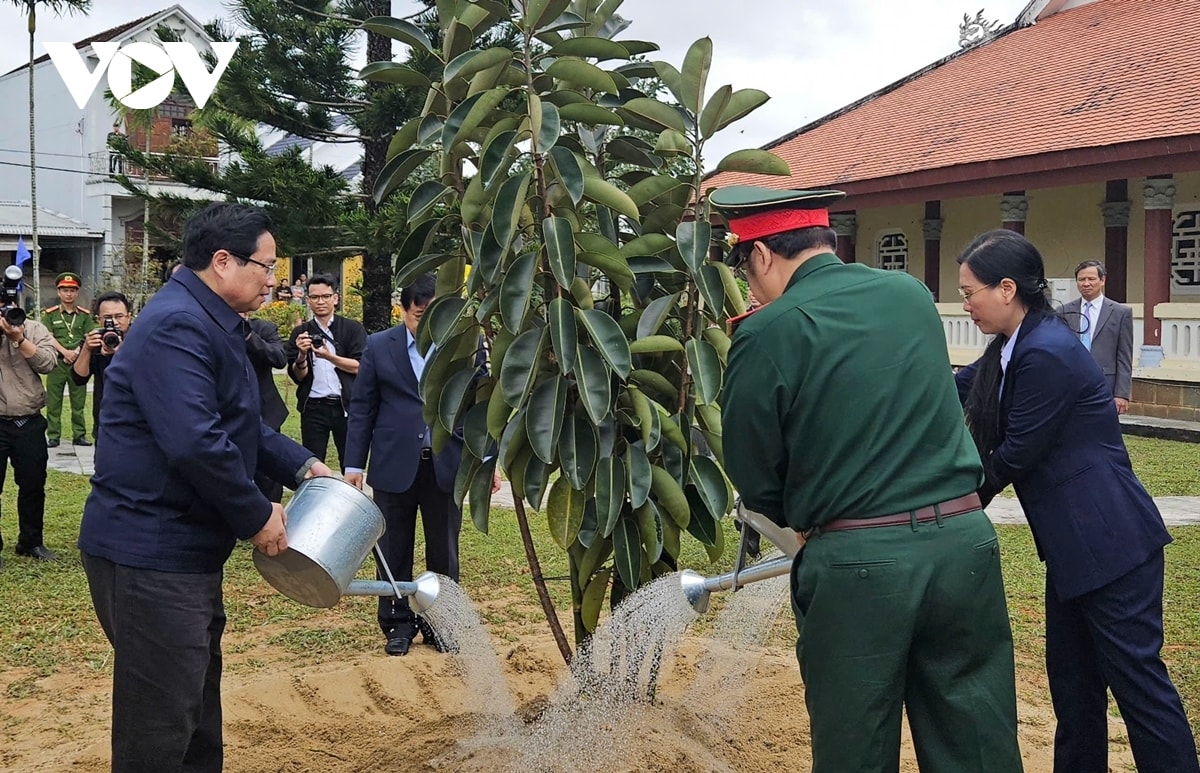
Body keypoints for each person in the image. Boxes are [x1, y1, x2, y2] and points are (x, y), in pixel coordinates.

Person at [714, 185, 1022, 773]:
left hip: (859, 563)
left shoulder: (767, 330)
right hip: (964, 545)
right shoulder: (909, 294)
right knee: (976, 739)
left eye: (746, 271)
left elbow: (755, 472)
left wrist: (802, 524)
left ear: (760, 256)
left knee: (854, 745)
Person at [78, 202, 334, 773]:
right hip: (151, 555)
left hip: (185, 553)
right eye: (265, 267)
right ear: (222, 262)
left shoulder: (213, 321)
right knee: (160, 729)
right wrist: (256, 514)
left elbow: (237, 423)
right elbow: (196, 441)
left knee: (194, 712)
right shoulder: (176, 327)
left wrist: (302, 465)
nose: (273, 280)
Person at [954, 230, 1198, 773]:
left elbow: (1014, 455)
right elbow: (957, 386)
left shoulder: (1047, 352)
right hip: (1072, 552)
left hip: (1111, 545)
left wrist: (950, 506)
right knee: (1075, 690)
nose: (965, 302)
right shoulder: (1015, 345)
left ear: (1007, 289)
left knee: (1139, 690)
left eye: (970, 291)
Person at [344, 274, 499, 656]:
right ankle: (397, 624)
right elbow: (363, 408)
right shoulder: (380, 346)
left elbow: (483, 405)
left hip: (447, 463)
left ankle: (441, 623)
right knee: (393, 547)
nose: (425, 325)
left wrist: (489, 460)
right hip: (394, 463)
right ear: (403, 311)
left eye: (432, 316)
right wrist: (352, 464)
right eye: (417, 316)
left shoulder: (465, 347)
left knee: (444, 550)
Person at [284, 274, 365, 472]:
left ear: (335, 298)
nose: (320, 302)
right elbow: (298, 377)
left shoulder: (352, 329)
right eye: (315, 297)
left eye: (326, 296)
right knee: (312, 464)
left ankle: (351, 502)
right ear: (308, 300)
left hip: (345, 405)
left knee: (352, 465)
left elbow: (360, 367)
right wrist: (302, 355)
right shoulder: (301, 332)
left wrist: (330, 357)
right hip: (313, 406)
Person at [0, 303, 58, 566]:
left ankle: (31, 542)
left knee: (33, 484)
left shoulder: (34, 328)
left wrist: (18, 339)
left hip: (28, 421)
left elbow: (48, 363)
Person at [1063, 260, 1134, 415]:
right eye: (1081, 280)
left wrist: (1121, 394)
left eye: (1091, 279)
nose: (1086, 283)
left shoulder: (1120, 313)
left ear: (1102, 281)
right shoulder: (1064, 311)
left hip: (1105, 384)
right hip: (1070, 384)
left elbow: (1124, 356)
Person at [43, 271, 96, 447]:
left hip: (78, 364)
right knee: (54, 401)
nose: (68, 294)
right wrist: (65, 352)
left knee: (78, 402)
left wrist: (76, 352)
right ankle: (53, 435)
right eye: (64, 290)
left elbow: (89, 336)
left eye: (72, 290)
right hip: (57, 364)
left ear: (77, 292)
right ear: (58, 292)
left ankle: (79, 435)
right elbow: (48, 337)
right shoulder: (50, 315)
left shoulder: (84, 315)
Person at [70, 290, 132, 436]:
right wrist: (87, 348)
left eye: (119, 316)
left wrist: (121, 352)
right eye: (108, 317)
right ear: (99, 320)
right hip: (105, 420)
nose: (114, 322)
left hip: (136, 419)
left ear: (128, 317)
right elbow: (78, 379)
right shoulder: (96, 340)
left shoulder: (141, 338)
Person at [243, 313, 288, 502]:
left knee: (269, 477)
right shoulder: (214, 329)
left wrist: (249, 337)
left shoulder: (263, 329)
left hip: (265, 414)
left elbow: (279, 358)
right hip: (228, 414)